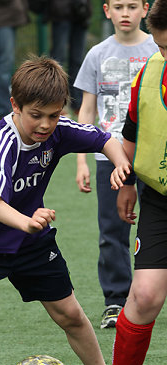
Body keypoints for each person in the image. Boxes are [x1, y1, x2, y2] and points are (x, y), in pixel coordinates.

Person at [0, 55, 155, 365]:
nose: (46, 124)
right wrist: (28, 221)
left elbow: (103, 138)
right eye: (36, 115)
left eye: (54, 114)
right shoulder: (1, 142)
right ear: (15, 106)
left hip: (31, 242)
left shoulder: (58, 130)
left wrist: (122, 166)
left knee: (71, 314)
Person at [98, 0, 167, 365]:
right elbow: (132, 133)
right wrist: (127, 183)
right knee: (143, 294)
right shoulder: (151, 71)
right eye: (160, 46)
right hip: (158, 199)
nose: (163, 55)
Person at [74, 0, 158, 329]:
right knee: (112, 231)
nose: (126, 13)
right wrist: (81, 160)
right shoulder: (97, 54)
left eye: (132, 6)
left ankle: (152, 293)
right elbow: (86, 111)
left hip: (151, 154)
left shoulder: (158, 48)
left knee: (156, 227)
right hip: (109, 155)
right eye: (119, 6)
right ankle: (116, 300)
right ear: (107, 10)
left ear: (145, 9)